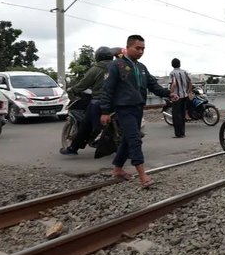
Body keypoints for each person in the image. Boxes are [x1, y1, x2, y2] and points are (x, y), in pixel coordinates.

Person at [99, 35, 178, 187]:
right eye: (137, 48)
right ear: (128, 47)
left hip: (137, 108)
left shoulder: (141, 68)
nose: (141, 51)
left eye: (143, 49)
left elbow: (153, 86)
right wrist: (105, 111)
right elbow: (107, 89)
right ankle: (143, 175)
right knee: (135, 139)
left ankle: (117, 169)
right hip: (124, 109)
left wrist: (169, 94)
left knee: (129, 140)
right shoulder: (116, 65)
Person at [60, 46, 114, 155]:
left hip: (100, 100)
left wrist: (73, 89)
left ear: (98, 56)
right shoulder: (118, 66)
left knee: (85, 124)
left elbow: (84, 84)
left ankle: (73, 148)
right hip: (118, 100)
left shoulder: (96, 68)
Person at [169, 58, 192, 138]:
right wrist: (188, 91)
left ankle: (178, 134)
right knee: (182, 114)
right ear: (180, 64)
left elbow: (173, 83)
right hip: (184, 96)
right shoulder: (184, 72)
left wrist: (171, 93)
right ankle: (183, 133)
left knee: (176, 115)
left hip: (176, 97)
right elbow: (190, 82)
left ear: (172, 65)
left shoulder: (172, 73)